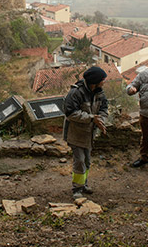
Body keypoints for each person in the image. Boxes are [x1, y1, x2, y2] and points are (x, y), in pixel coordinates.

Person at [63, 65, 108, 198]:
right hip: (75, 133)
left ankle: (84, 184)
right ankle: (77, 188)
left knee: (87, 161)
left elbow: (104, 110)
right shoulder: (76, 93)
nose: (104, 82)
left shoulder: (100, 93)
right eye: (102, 79)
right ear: (95, 81)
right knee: (80, 160)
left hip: (89, 134)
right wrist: (92, 118)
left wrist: (101, 121)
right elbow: (70, 113)